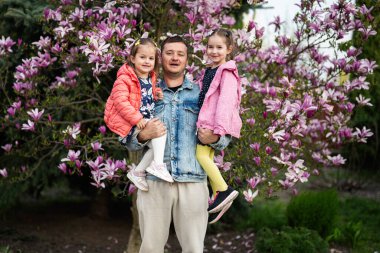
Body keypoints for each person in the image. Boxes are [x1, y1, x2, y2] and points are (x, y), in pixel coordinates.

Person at [124, 36, 231, 253]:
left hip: (193, 181)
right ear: (160, 58)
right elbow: (127, 138)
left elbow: (224, 134)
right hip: (154, 184)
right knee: (151, 248)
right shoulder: (145, 93)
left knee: (193, 249)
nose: (175, 58)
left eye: (180, 54)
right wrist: (144, 135)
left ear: (187, 59)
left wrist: (215, 139)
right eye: (169, 53)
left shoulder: (202, 93)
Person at [104, 38, 173, 192]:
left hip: (142, 121)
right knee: (160, 132)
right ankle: (158, 165)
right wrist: (137, 119)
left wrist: (156, 94)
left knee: (158, 145)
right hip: (129, 123)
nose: (147, 61)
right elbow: (121, 102)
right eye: (142, 57)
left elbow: (142, 96)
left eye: (151, 58)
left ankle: (138, 172)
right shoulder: (124, 79)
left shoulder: (150, 78)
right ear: (133, 59)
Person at [196, 28, 242, 223]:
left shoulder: (227, 73)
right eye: (210, 47)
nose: (214, 51)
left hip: (212, 125)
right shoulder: (211, 70)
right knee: (207, 158)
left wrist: (219, 130)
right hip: (207, 121)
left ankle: (224, 189)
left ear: (229, 49)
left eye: (219, 47)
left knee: (200, 155)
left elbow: (226, 102)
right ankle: (219, 199)